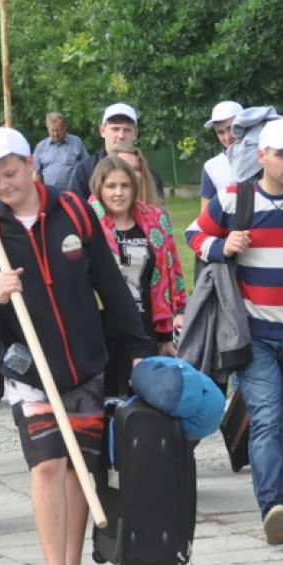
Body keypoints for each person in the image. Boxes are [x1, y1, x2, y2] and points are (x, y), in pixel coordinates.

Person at [0, 127, 153, 565]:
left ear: (31, 164)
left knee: (78, 473)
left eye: (10, 173)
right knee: (46, 466)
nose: (5, 185)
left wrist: (138, 348)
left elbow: (109, 283)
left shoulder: (72, 211)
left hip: (85, 367)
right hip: (30, 373)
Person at [187, 119, 283, 545]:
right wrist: (222, 246)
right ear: (262, 157)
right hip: (251, 334)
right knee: (267, 421)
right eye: (282, 155)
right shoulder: (234, 198)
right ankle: (271, 504)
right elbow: (194, 233)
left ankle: (281, 504)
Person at [87, 155, 187, 395]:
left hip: (143, 328)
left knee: (141, 407)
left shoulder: (154, 221)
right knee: (104, 402)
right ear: (99, 188)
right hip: (101, 330)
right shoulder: (86, 223)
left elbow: (169, 275)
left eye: (125, 185)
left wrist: (165, 334)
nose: (118, 193)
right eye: (111, 186)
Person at [68, 103, 164, 202]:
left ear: (135, 134)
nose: (121, 135)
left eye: (127, 130)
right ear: (102, 131)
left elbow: (160, 212)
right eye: (115, 129)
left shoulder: (149, 176)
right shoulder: (84, 171)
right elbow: (75, 211)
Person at [200, 100, 243, 211]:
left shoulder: (265, 157)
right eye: (220, 132)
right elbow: (205, 214)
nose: (227, 137)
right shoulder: (211, 167)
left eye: (231, 129)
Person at [32, 112, 89, 191]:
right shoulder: (41, 147)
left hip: (73, 193)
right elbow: (36, 173)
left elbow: (87, 167)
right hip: (50, 194)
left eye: (58, 130)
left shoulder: (76, 142)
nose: (55, 134)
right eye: (52, 131)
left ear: (64, 127)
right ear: (47, 127)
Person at [109, 145, 165, 210]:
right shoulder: (96, 213)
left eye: (137, 168)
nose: (132, 173)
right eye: (126, 168)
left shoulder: (158, 213)